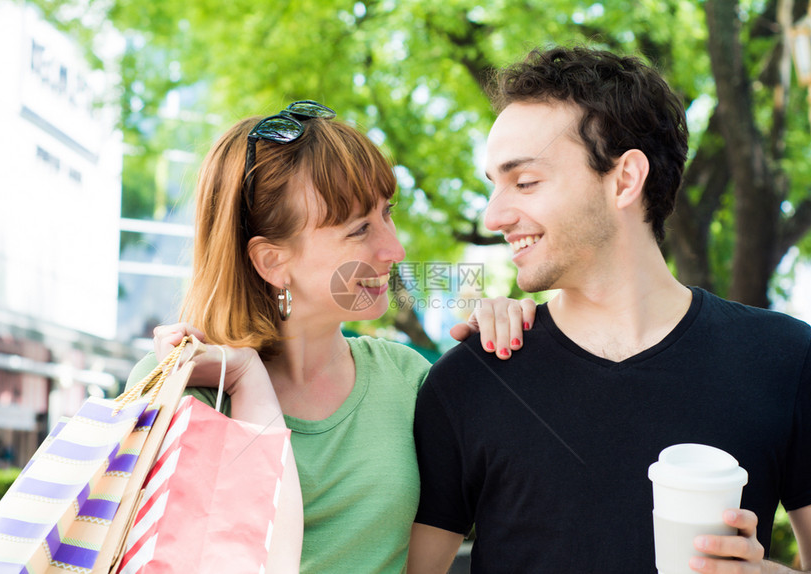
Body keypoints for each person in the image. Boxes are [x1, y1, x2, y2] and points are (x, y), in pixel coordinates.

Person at [408, 46, 811, 573]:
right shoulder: (472, 378)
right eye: (493, 186)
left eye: (524, 182)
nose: (494, 214)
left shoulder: (782, 359)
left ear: (625, 179)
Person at [126, 100, 534, 573]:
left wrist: (513, 346)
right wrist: (244, 383)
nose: (393, 248)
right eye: (359, 229)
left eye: (387, 213)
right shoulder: (180, 391)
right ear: (273, 261)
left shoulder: (408, 380)